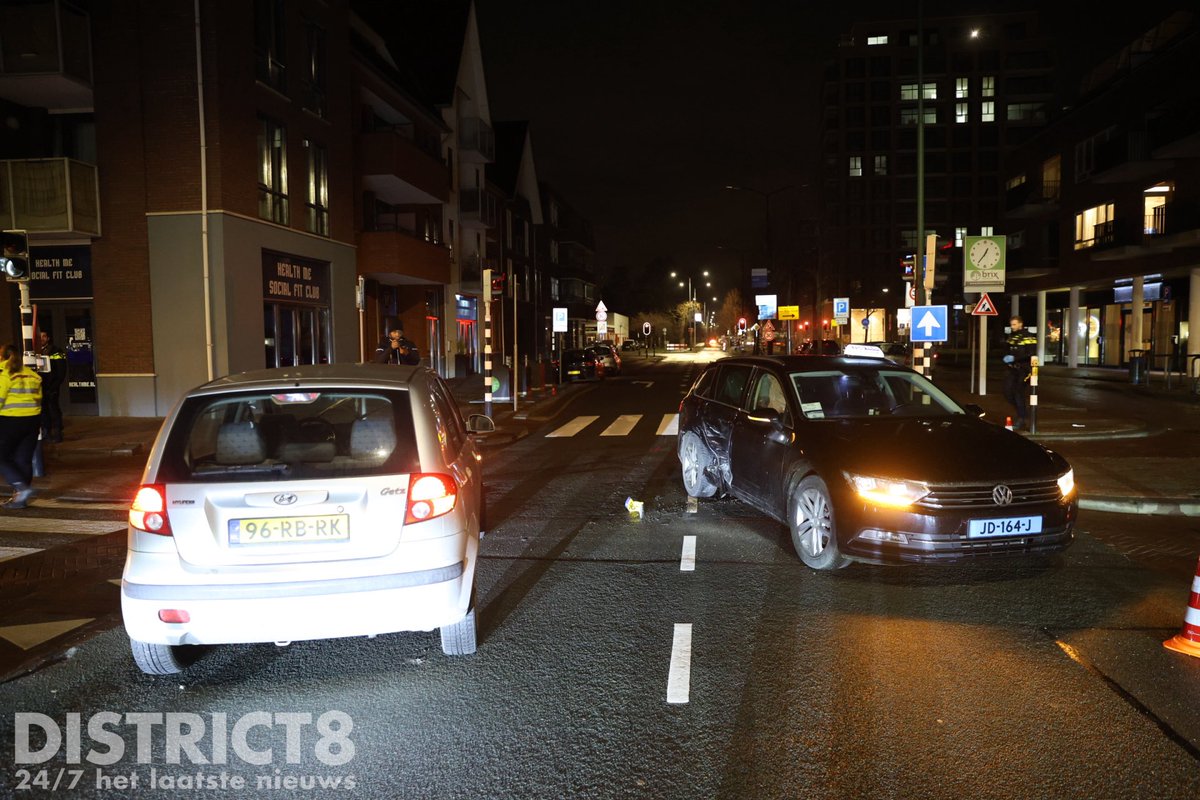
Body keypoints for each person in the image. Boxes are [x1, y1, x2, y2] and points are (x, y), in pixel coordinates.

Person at [0, 343, 43, 509]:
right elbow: (39, 400)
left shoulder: (4, 374)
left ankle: (20, 487)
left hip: (10, 421)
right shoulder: (33, 375)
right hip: (32, 421)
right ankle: (20, 500)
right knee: (23, 459)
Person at [1002, 315, 1037, 430]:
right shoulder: (1011, 337)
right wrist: (1005, 357)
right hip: (1013, 369)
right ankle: (1021, 412)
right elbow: (1007, 349)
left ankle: (1022, 418)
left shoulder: (1028, 337)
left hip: (1025, 369)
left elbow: (1030, 353)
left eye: (1014, 324)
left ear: (1020, 324)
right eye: (1011, 324)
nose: (1012, 327)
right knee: (1007, 392)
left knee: (1018, 392)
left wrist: (1014, 358)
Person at [37, 330, 66, 443]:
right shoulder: (35, 351)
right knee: (44, 410)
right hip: (40, 385)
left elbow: (61, 370)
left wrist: (55, 385)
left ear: (48, 338)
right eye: (40, 336)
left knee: (54, 409)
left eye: (44, 336)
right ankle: (46, 432)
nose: (42, 338)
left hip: (52, 385)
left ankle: (58, 433)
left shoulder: (56, 351)